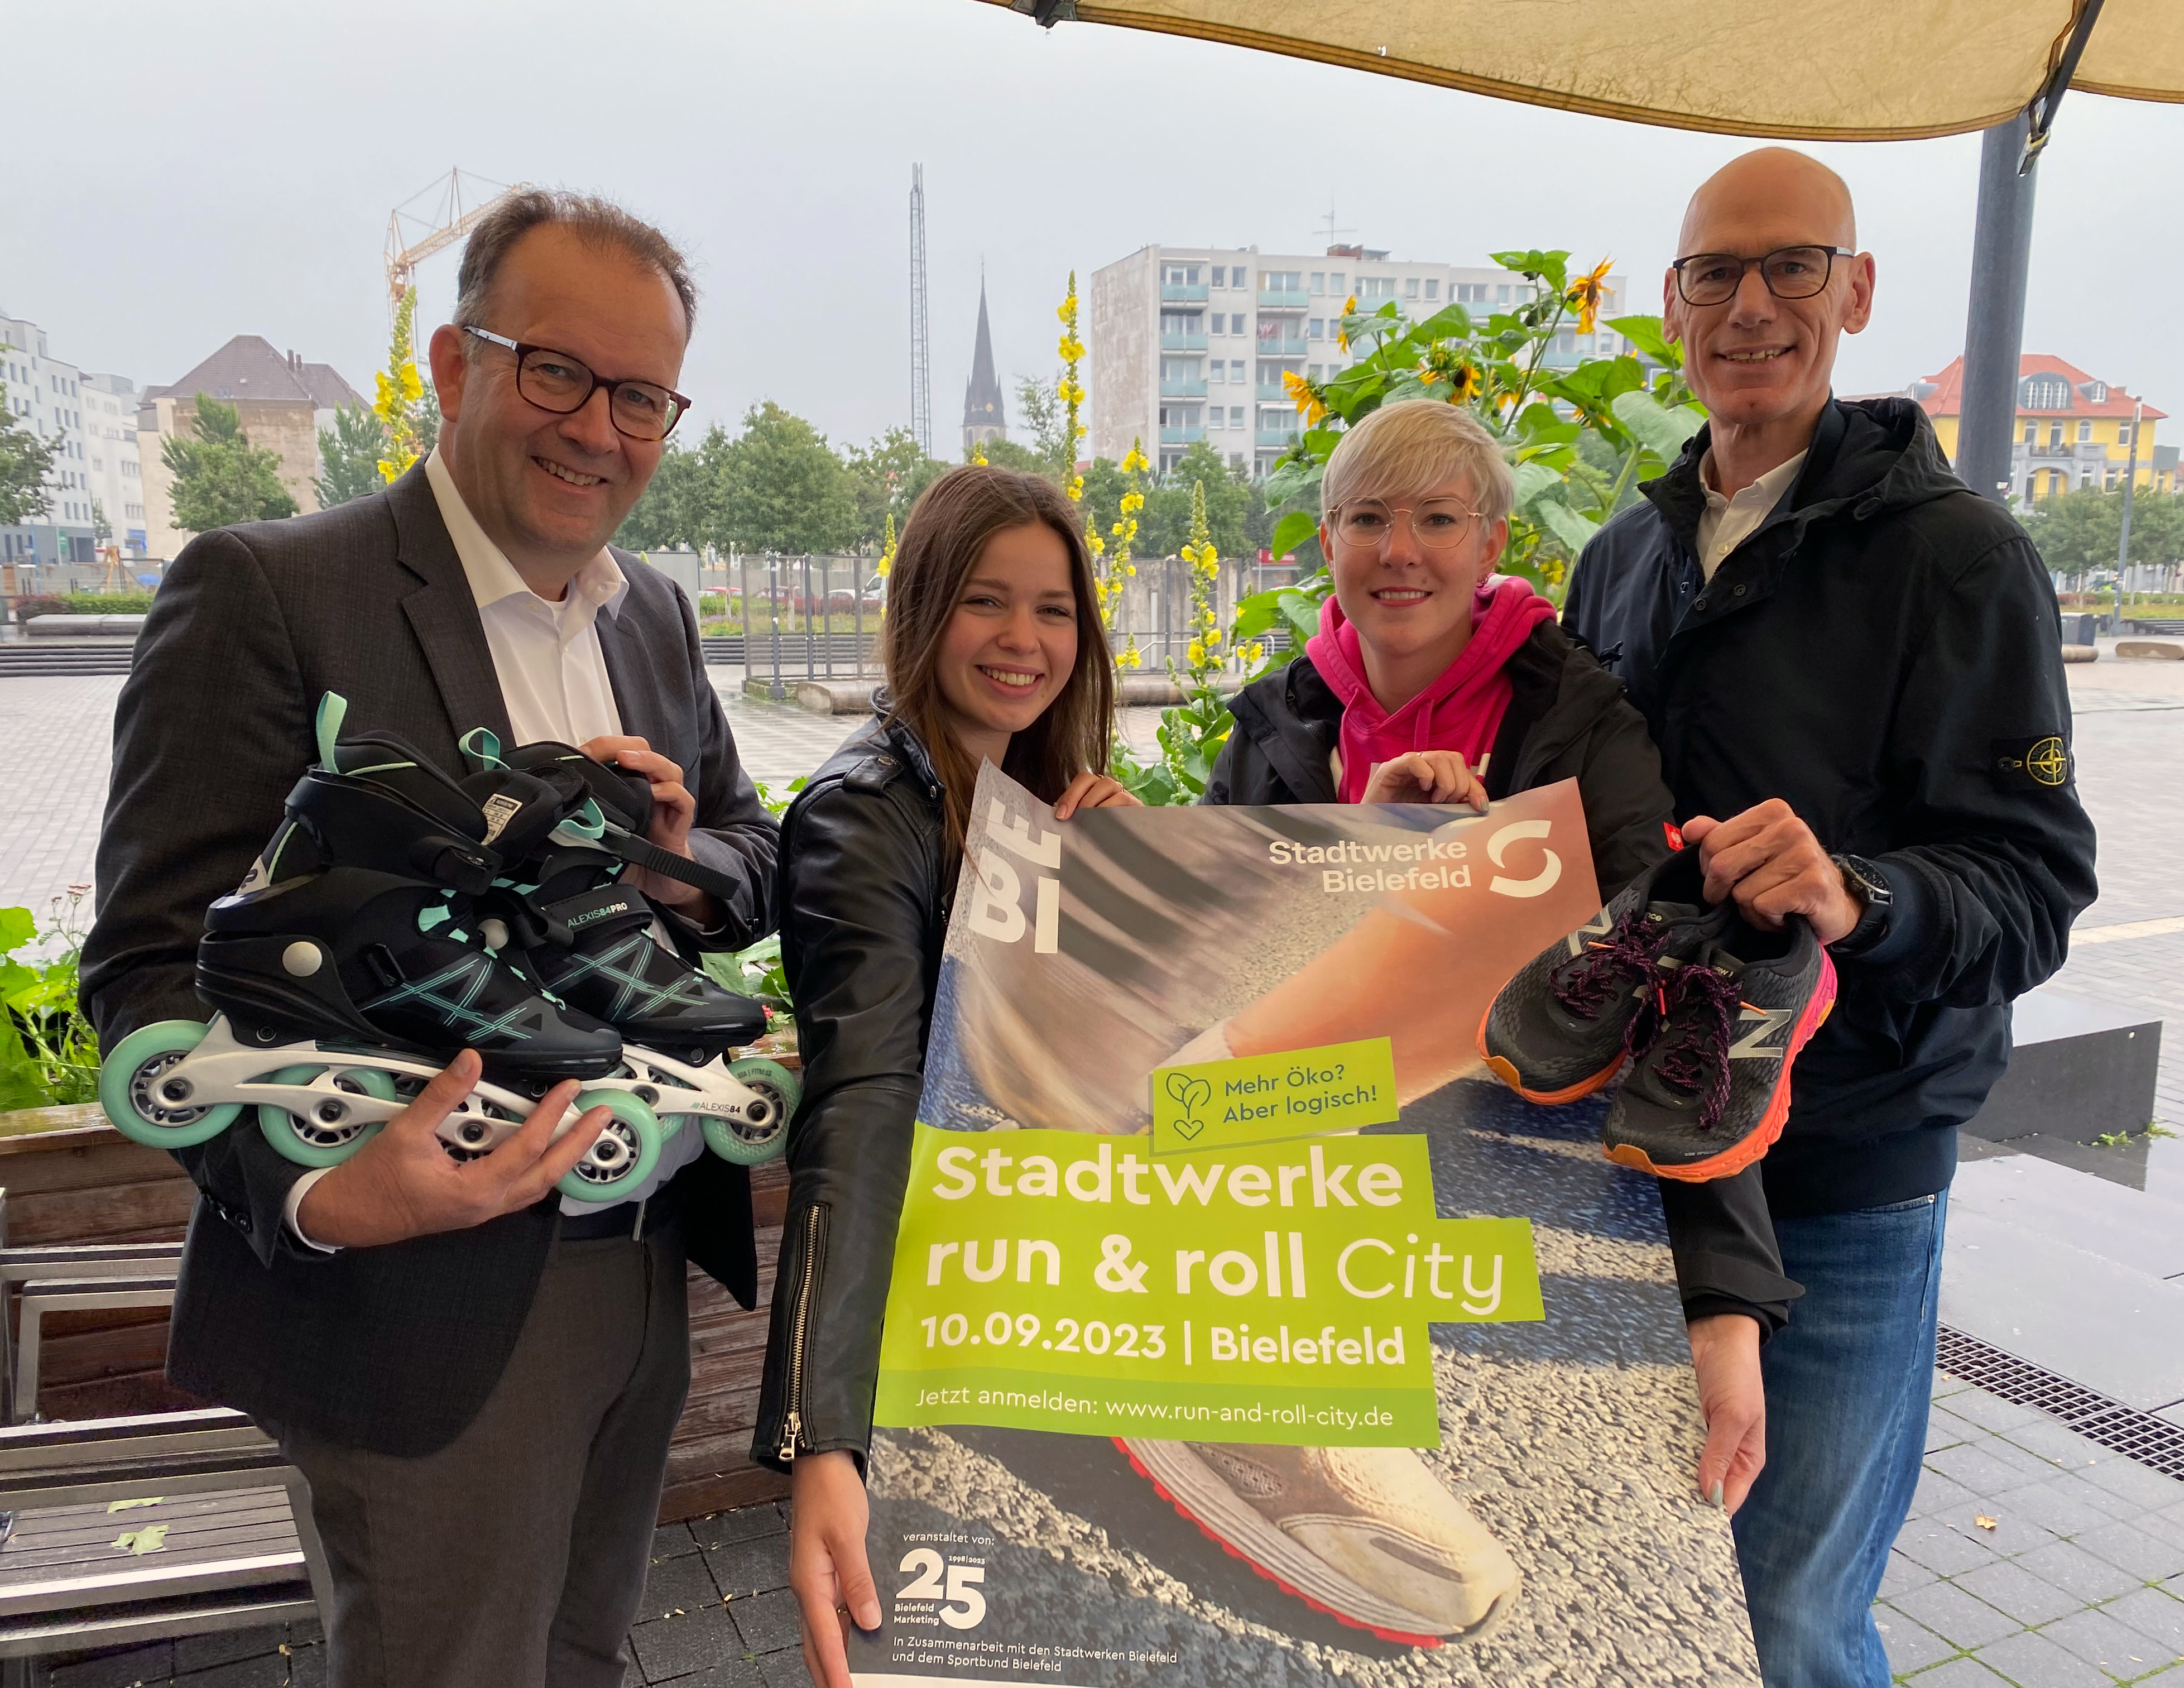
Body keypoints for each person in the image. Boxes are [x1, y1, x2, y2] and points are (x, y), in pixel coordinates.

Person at [80, 190, 778, 1688]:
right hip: (413, 1297)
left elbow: (747, 844)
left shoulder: (654, 615)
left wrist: (679, 871)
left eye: (642, 396)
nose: (599, 428)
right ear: (456, 366)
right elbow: (145, 964)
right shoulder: (270, 590)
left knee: (585, 1655)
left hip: (642, 1254)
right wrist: (325, 1192)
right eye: (558, 371)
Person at [1564, 148, 2097, 1687]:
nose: (1750, 305)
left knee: (1789, 1618)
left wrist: (1862, 894)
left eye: (1791, 266)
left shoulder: (1959, 560)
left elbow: (2033, 885)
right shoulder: (1623, 558)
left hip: (1843, 1173)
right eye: (1714, 274)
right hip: (1635, 1159)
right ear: (1673, 306)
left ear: (1854, 294)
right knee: (1629, 1584)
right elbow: (1584, 832)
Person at [1180, 397, 1796, 1619]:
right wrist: (1352, 842)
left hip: (1502, 1153)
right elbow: (1216, 956)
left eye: (1437, 520)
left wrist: (1725, 1299)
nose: (1399, 551)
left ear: (1493, 542)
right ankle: (1269, 1414)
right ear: (1327, 538)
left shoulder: (1581, 726)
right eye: (1368, 519)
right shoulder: (1275, 722)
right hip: (1300, 1141)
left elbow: (1685, 999)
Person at [751, 466, 1137, 1688]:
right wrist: (824, 1439)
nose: (1025, 639)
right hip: (935, 1311)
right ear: (922, 608)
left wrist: (1102, 896)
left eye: (1054, 610)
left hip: (1028, 1278)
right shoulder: (861, 817)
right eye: (986, 600)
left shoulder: (1027, 799)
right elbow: (864, 1104)